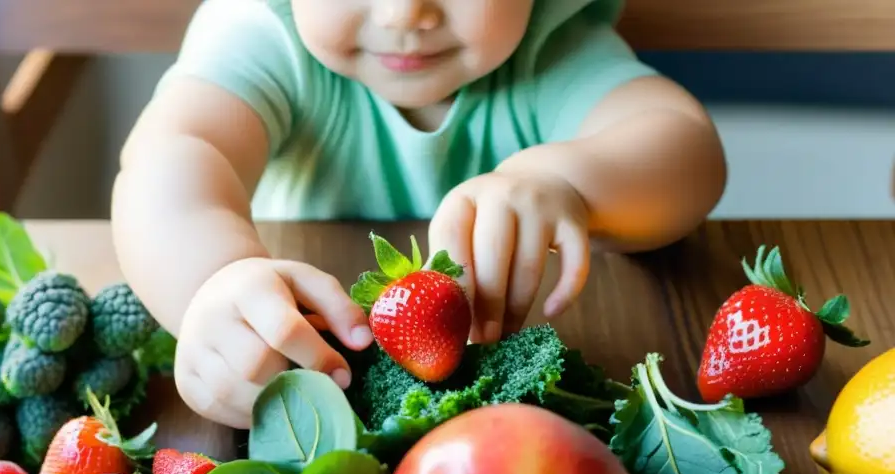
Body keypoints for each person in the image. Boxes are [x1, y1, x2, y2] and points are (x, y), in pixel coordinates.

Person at [112, 0, 727, 429]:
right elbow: (174, 157)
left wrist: (563, 182)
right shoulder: (267, 37)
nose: (405, 13)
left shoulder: (550, 43)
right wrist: (213, 282)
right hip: (312, 362)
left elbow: (683, 145)